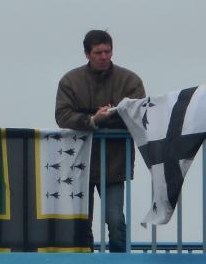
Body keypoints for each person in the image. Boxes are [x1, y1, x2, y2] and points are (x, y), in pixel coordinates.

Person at [55, 29, 145, 252]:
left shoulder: (130, 80)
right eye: (98, 52)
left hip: (114, 164)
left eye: (107, 51)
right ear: (87, 54)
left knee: (115, 221)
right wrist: (93, 119)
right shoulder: (70, 80)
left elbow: (141, 115)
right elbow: (61, 116)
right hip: (79, 164)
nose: (104, 56)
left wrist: (103, 119)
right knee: (81, 223)